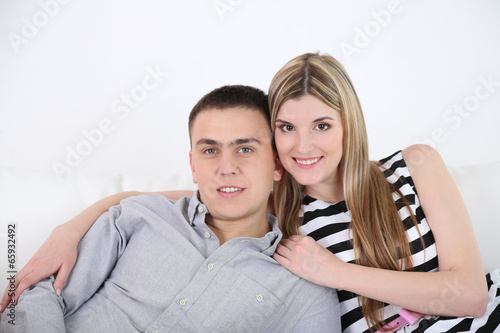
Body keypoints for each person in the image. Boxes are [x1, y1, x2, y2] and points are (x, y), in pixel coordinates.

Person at [3, 53, 500, 332]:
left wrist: (335, 272)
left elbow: (472, 295)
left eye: (323, 125)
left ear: (350, 124)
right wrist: (69, 229)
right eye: (287, 128)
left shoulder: (413, 166)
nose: (304, 146)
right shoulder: (278, 202)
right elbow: (169, 196)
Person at [0, 85, 341, 332]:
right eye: (210, 151)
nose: (226, 167)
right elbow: (41, 294)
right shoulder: (138, 217)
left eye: (245, 149)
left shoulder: (303, 291)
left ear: (277, 165)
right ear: (192, 165)